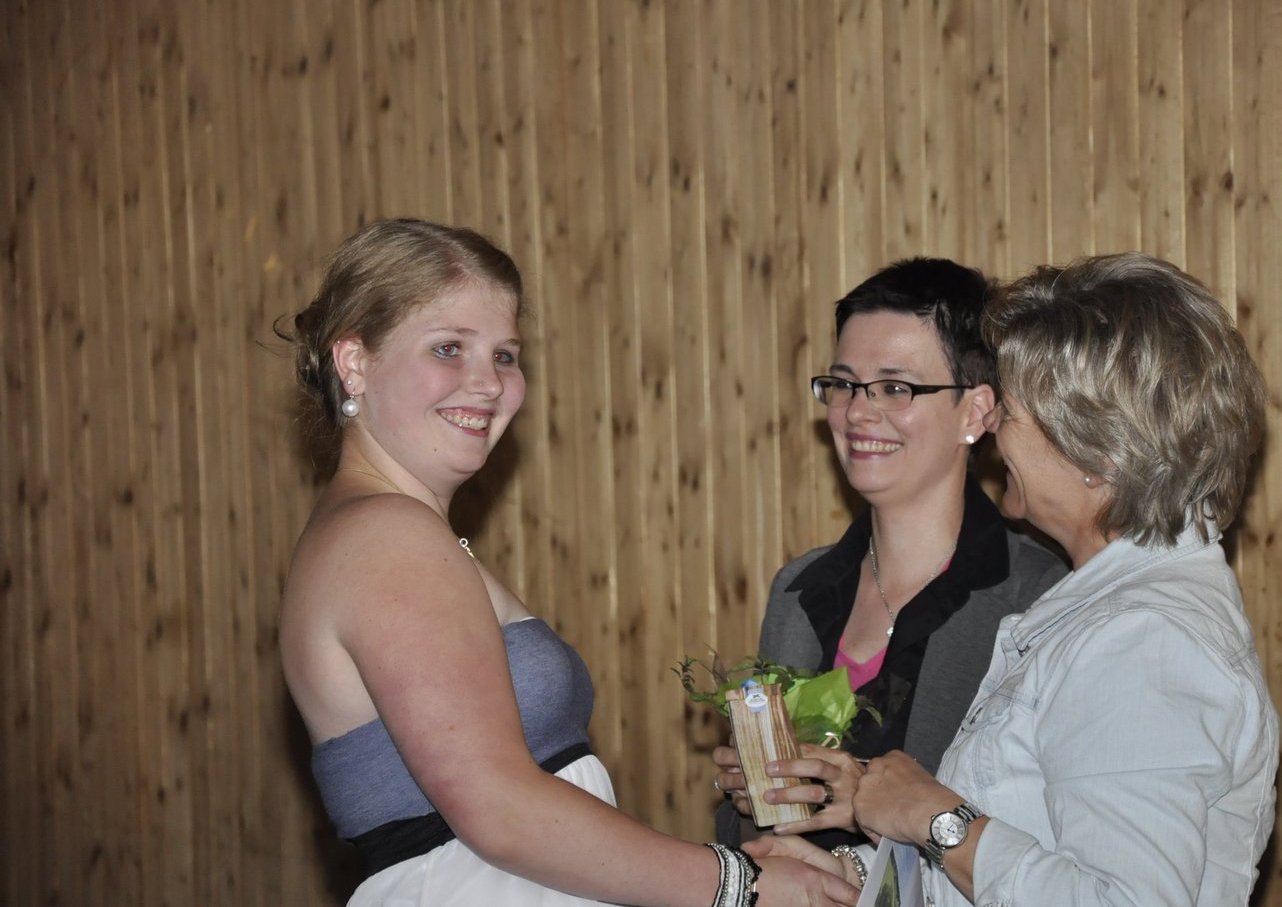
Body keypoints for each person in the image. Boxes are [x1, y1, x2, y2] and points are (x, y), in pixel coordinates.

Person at [279, 218, 858, 907]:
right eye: (448, 347)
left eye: (504, 355)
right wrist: (739, 885)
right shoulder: (386, 536)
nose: (487, 384)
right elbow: (500, 812)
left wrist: (720, 868)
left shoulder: (393, 530)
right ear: (354, 362)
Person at [815, 251, 1278, 904]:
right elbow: (1036, 850)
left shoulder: (1143, 639)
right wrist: (846, 879)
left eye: (1014, 409)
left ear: (1098, 454)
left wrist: (936, 817)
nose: (995, 427)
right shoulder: (1110, 610)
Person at [714, 259, 1067, 859]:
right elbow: (758, 836)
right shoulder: (799, 588)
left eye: (896, 387)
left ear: (977, 411)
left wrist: (879, 809)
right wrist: (752, 802)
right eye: (844, 383)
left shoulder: (1041, 600)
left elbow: (1047, 846)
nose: (856, 412)